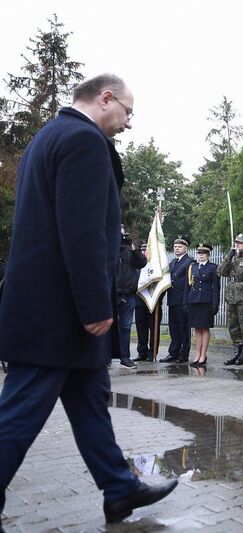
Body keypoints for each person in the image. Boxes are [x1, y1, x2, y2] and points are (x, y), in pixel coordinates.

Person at [0, 73, 176, 526]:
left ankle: (119, 488)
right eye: (128, 112)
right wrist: (95, 306)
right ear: (105, 98)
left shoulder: (48, 137)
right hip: (58, 315)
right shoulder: (83, 141)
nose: (129, 123)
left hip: (49, 309)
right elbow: (80, 234)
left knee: (90, 402)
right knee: (19, 416)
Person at [219, 234, 243, 366]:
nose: (237, 245)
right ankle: (236, 350)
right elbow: (221, 272)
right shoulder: (233, 257)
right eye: (236, 242)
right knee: (233, 325)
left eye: (240, 243)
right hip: (231, 295)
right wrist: (228, 256)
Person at [183, 244, 220, 367]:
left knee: (204, 328)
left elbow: (216, 287)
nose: (201, 255)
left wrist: (215, 303)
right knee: (196, 328)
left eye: (203, 253)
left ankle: (203, 355)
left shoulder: (213, 267)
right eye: (199, 253)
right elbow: (187, 287)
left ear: (208, 255)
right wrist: (185, 302)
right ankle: (197, 354)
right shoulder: (192, 267)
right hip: (193, 301)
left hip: (206, 301)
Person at [115, 227, 147, 368]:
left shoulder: (131, 250)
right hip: (112, 295)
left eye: (124, 235)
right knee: (107, 327)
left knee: (126, 327)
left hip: (128, 295)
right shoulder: (108, 247)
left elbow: (142, 263)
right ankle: (104, 358)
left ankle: (125, 357)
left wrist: (134, 249)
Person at [161, 236, 192, 363]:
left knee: (183, 328)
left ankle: (183, 354)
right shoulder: (173, 262)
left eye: (179, 246)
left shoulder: (190, 262)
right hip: (172, 299)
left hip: (182, 300)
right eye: (175, 247)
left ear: (186, 248)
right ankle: (173, 352)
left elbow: (188, 283)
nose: (177, 249)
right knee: (173, 328)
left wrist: (186, 301)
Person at [133, 243, 163, 362]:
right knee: (141, 328)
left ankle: (152, 353)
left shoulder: (157, 267)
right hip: (139, 301)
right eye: (142, 250)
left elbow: (163, 284)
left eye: (147, 250)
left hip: (154, 302)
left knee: (154, 328)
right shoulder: (137, 266)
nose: (144, 252)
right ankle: (142, 352)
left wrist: (157, 298)